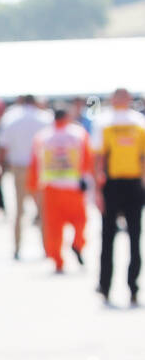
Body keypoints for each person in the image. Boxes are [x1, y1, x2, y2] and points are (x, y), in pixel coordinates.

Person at [91, 88, 145, 306]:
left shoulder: (137, 122)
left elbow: (143, 159)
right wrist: (97, 190)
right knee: (110, 237)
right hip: (114, 184)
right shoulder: (105, 123)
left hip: (128, 184)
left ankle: (130, 286)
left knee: (132, 236)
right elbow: (99, 159)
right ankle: (107, 285)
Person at [28, 105, 92, 275]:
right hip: (73, 188)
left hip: (51, 189)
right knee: (80, 221)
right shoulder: (79, 134)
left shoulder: (42, 137)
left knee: (54, 228)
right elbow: (88, 159)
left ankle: (58, 261)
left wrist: (33, 187)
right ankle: (78, 244)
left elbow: (34, 164)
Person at [0, 95, 53, 260]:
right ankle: (46, 247)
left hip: (19, 167)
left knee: (19, 210)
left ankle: (16, 247)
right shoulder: (45, 118)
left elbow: (3, 146)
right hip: (40, 168)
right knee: (43, 210)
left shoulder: (11, 118)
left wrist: (1, 167)